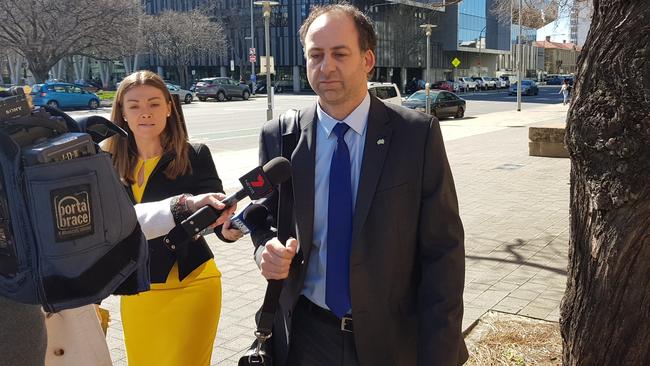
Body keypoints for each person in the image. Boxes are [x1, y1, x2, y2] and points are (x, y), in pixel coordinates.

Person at [253, 4, 467, 366]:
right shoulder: (280, 136)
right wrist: (264, 251)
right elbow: (263, 217)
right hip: (305, 334)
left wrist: (440, 353)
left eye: (340, 54)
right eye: (316, 55)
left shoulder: (416, 134)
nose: (326, 67)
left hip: (392, 339)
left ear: (367, 60)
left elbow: (443, 252)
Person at [103, 70, 241, 366]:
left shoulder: (194, 154)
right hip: (138, 292)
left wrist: (225, 230)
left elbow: (214, 212)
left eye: (154, 104)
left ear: (169, 107)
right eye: (135, 105)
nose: (145, 113)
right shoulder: (108, 163)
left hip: (191, 286)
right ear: (122, 113)